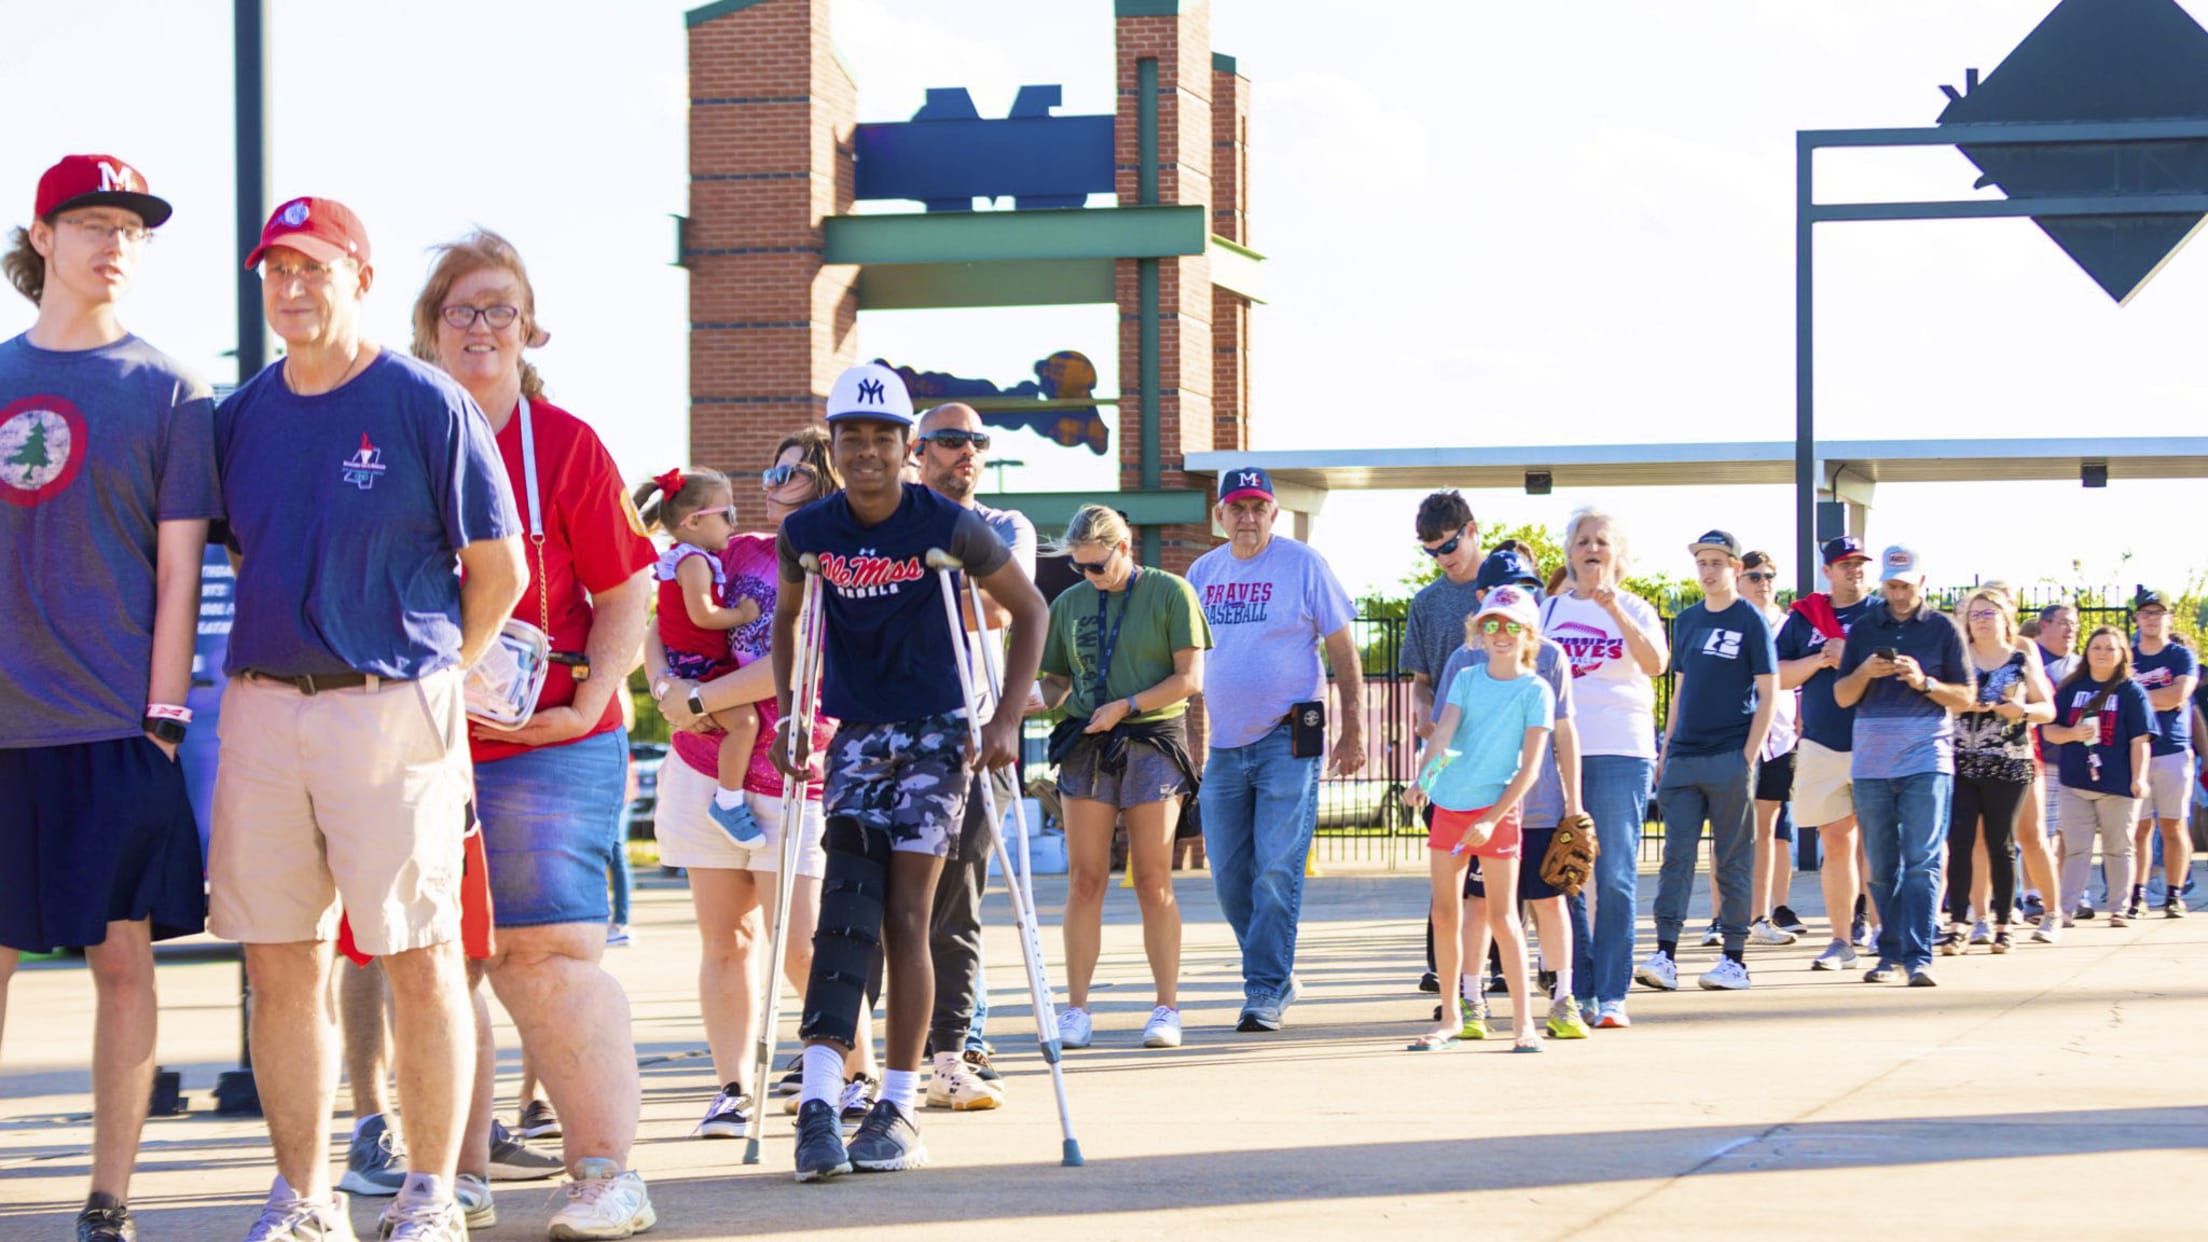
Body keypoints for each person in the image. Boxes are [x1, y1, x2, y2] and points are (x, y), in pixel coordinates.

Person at [208, 196, 526, 1242]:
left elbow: (499, 572)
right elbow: (244, 551)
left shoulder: (424, 402)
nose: (291, 287)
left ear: (360, 278)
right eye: (276, 270)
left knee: (420, 953)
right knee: (279, 958)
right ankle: (303, 1198)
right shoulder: (242, 413)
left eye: (314, 267)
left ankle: (430, 1193)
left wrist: (438, 677)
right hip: (261, 713)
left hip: (393, 709)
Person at [408, 229, 660, 1237]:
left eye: (499, 308)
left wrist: (598, 695)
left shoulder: (564, 444)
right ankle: (450, 1178)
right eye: (461, 308)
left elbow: (626, 586)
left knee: (547, 951)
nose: (480, 326)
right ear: (427, 328)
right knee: (435, 958)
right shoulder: (394, 436)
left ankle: (607, 1174)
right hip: (421, 736)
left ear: (530, 328)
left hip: (550, 734)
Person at [0, 154, 216, 1242]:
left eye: (129, 226)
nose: (112, 242)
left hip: (115, 727)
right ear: (42, 239)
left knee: (122, 961)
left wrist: (165, 720)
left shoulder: (172, 391)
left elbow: (180, 572)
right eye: (89, 222)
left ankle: (109, 1197)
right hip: (1, 731)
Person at [770, 364, 1047, 1181]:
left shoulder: (947, 523)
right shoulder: (809, 532)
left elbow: (1030, 610)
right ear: (837, 443)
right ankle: (821, 1100)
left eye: (881, 440)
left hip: (937, 733)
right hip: (857, 733)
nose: (866, 454)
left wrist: (1002, 719)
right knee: (843, 909)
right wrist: (793, 710)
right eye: (850, 439)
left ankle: (896, 1107)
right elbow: (789, 618)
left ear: (904, 448)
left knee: (907, 913)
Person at [650, 428, 873, 1140]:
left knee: (801, 945)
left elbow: (796, 659)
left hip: (787, 768)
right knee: (726, 940)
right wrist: (661, 681)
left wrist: (696, 699)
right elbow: (658, 603)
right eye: (770, 468)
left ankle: (858, 1075)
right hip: (703, 766)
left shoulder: (838, 566)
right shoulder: (737, 547)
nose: (771, 481)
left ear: (824, 482)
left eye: (790, 471)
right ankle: (731, 1088)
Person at [1187, 465, 1366, 1033]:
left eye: (1258, 507)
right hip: (1224, 742)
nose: (1247, 517)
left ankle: (1263, 988)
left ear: (1273, 513)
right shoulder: (1202, 571)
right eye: (1236, 507)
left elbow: (1342, 647)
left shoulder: (1303, 564)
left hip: (1293, 732)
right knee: (1229, 875)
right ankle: (1276, 969)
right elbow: (1190, 661)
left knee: (1276, 868)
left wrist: (1353, 728)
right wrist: (1193, 741)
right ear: (1219, 515)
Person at [1039, 504, 1210, 1050]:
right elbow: (1055, 684)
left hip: (1152, 740)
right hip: (1086, 743)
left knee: (1153, 879)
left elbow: (1189, 678)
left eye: (1097, 564)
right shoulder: (1068, 603)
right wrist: (1011, 704)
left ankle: (1166, 1007)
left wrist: (1127, 705)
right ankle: (1076, 1009)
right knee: (1084, 879)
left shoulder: (1170, 592)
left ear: (1124, 547)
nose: (1090, 575)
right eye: (1080, 567)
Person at [911, 400, 1037, 1101]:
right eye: (952, 440)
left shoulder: (1003, 525)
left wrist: (916, 593)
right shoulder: (890, 517)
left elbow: (997, 607)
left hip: (975, 729)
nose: (967, 452)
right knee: (883, 903)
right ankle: (855, 1053)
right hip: (896, 728)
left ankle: (960, 1045)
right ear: (919, 450)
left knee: (960, 899)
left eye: (977, 442)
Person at [1442, 560, 1588, 1041]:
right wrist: (1436, 785)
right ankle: (1472, 999)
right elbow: (1445, 734)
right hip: (1477, 805)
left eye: (1526, 588)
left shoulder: (1551, 660)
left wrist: (1575, 802)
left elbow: (1566, 732)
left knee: (1548, 900)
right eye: (1496, 609)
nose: (1504, 625)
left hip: (1540, 802)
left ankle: (1563, 1000)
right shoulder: (1465, 662)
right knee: (1479, 906)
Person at [1406, 586, 1555, 1052]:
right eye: (1491, 624)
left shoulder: (1536, 690)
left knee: (1503, 916)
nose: (1501, 634)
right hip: (1449, 807)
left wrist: (1493, 818)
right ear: (1479, 631)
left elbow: (1530, 769)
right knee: (1444, 913)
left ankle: (1523, 1024)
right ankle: (1451, 1017)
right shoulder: (1467, 679)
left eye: (1511, 625)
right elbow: (1443, 733)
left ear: (1529, 634)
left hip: (1497, 813)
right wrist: (1423, 780)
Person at [1542, 507, 1668, 1029]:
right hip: (1556, 755)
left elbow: (1656, 665)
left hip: (1621, 748)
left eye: (1602, 542)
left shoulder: (1636, 607)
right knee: (1564, 873)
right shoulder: (1545, 611)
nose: (1592, 549)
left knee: (1613, 874)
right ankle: (1582, 987)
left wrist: (1612, 607)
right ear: (1570, 552)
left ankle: (1614, 993)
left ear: (1618, 556)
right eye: (1583, 541)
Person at [1638, 531, 1778, 994]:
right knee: (1675, 857)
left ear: (1735, 567)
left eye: (1718, 562)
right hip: (1683, 757)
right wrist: (1666, 748)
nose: (1709, 570)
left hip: (1728, 756)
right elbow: (1680, 689)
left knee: (1733, 859)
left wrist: (1747, 756)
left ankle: (1734, 959)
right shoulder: (1689, 620)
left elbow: (1768, 691)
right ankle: (1665, 954)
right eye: (1702, 562)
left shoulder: (1751, 620)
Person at [1831, 544, 1973, 987]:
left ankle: (1918, 955)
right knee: (1882, 862)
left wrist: (1924, 681)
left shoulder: (1943, 629)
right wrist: (1864, 674)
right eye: (1891, 585)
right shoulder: (1863, 628)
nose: (1897, 594)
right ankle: (1888, 951)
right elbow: (1842, 696)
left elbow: (1967, 698)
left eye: (1906, 585)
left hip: (1926, 758)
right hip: (1872, 762)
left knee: (1923, 860)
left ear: (1922, 583)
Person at [637, 467, 763, 843]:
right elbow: (703, 614)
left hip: (694, 663)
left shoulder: (683, 558)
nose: (733, 525)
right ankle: (727, 802)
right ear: (693, 520)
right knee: (745, 723)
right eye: (728, 515)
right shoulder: (693, 562)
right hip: (700, 667)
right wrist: (742, 615)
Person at [1775, 536, 1880, 968]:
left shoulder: (1882, 613)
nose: (1853, 570)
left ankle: (1881, 932)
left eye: (1859, 563)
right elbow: (1779, 674)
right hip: (1822, 741)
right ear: (1827, 571)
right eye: (1844, 564)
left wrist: (1851, 656)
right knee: (1835, 841)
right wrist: (1821, 659)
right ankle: (1841, 940)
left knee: (1877, 843)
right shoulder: (1804, 618)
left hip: (1875, 739)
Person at [1399, 491, 1483, 992]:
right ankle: (1441, 966)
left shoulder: (1507, 589)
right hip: (1447, 755)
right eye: (1431, 550)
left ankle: (1494, 967)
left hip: (1497, 749)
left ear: (1471, 530)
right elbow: (1421, 679)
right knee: (1447, 864)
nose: (1442, 558)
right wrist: (1423, 711)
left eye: (1448, 546)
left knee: (1496, 866)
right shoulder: (1427, 603)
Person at [1942, 588, 2055, 956]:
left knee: (2000, 842)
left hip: (2009, 761)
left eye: (1989, 612)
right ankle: (1960, 923)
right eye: (1975, 613)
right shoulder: (1956, 658)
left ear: (2005, 618)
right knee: (1959, 842)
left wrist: (2020, 710)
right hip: (1960, 761)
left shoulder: (2020, 659)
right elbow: (1937, 698)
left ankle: (2004, 924)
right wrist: (1960, 701)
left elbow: (2048, 709)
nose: (1981, 618)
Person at [2046, 627, 2155, 928]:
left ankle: (2119, 908)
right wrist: (2072, 734)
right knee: (2077, 849)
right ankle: (2065, 910)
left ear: (2121, 654)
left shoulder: (2131, 691)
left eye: (2110, 648)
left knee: (2118, 848)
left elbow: (2140, 740)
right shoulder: (2071, 687)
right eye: (2097, 647)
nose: (2103, 653)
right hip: (2075, 782)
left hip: (2118, 784)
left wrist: (2139, 779)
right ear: (2087, 652)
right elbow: (2049, 729)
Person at [1738, 550, 1802, 945]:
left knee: (1777, 827)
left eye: (1770, 576)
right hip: (1741, 734)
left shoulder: (1790, 625)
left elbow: (1804, 675)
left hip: (1781, 737)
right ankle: (1731, 913)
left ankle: (1775, 907)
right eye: (1756, 576)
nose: (1764, 583)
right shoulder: (1732, 620)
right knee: (1737, 828)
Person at [2127, 588, 2195, 919]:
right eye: (2145, 613)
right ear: (2137, 618)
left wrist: (2138, 697)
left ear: (2168, 618)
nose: (2151, 619)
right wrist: (2160, 695)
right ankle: (2136, 894)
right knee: (2138, 829)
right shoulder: (2125, 655)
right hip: (2133, 751)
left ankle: (2174, 894)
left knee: (2173, 825)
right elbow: (2120, 697)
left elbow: (2178, 695)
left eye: (2158, 613)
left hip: (2172, 749)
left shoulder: (2180, 656)